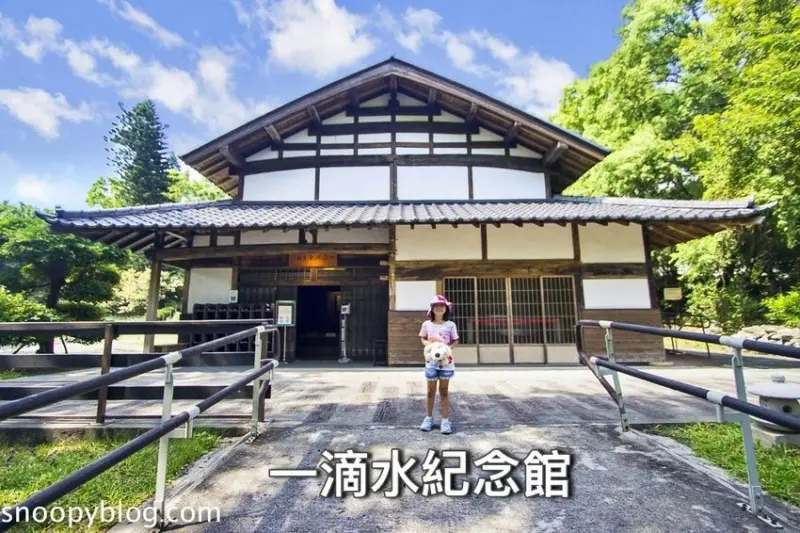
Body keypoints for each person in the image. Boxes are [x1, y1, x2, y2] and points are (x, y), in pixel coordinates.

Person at [418, 295, 458, 434]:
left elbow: (455, 341)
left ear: (446, 308)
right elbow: (423, 338)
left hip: (447, 362)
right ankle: (428, 418)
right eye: (436, 306)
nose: (439, 308)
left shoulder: (451, 325)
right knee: (430, 392)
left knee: (444, 391)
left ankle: (445, 420)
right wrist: (430, 345)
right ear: (432, 309)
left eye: (442, 305)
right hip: (431, 362)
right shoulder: (426, 324)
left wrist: (447, 349)